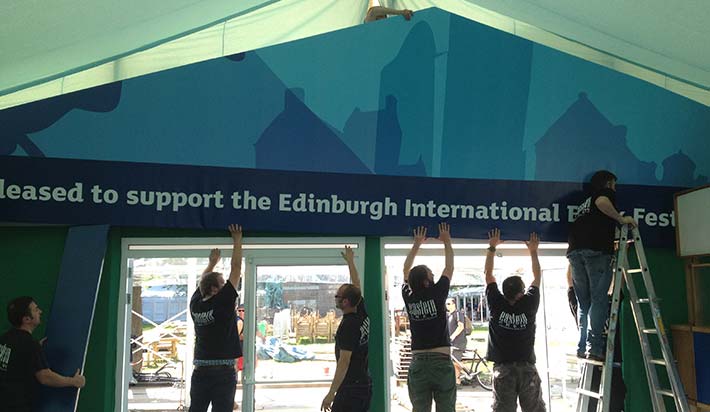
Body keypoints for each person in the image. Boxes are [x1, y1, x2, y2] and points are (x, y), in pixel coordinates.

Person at [567, 170, 636, 361]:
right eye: (614, 184)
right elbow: (603, 202)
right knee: (598, 299)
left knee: (584, 303)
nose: (615, 188)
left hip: (575, 252)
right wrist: (621, 220)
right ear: (607, 184)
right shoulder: (603, 195)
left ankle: (582, 347)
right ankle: (595, 347)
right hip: (595, 251)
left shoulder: (584, 204)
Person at [485, 229, 545, 412]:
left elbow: (488, 274)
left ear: (504, 291)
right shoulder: (529, 303)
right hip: (527, 368)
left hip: (503, 370)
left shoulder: (496, 303)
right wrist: (533, 251)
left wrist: (492, 246)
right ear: (521, 292)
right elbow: (537, 276)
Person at [401, 223, 455, 412]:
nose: (434, 275)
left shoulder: (409, 296)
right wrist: (446, 241)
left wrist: (417, 244)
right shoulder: (437, 293)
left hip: (418, 364)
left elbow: (405, 270)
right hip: (440, 361)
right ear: (426, 281)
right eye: (431, 274)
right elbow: (449, 267)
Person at [189, 224, 243, 412]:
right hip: (223, 372)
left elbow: (203, 280)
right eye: (222, 283)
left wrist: (212, 263)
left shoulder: (195, 304)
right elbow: (236, 269)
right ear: (214, 289)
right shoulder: (222, 303)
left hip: (200, 372)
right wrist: (237, 240)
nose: (226, 285)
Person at [0, 296, 86, 412]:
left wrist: (35, 352)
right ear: (26, 319)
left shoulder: (5, 339)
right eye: (36, 309)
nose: (40, 311)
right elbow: (45, 377)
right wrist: (74, 381)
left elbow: (16, 361)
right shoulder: (29, 345)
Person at [321, 246, 371, 412]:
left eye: (337, 296)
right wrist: (350, 261)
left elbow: (344, 362)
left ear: (345, 302)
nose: (335, 298)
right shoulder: (361, 310)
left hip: (351, 389)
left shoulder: (349, 326)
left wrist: (331, 393)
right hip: (363, 384)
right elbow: (356, 284)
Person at [446, 298, 466, 385]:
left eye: (449, 303)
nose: (447, 305)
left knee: (455, 361)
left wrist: (452, 336)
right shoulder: (449, 315)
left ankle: (457, 381)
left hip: (459, 342)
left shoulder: (458, 313)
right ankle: (457, 380)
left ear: (454, 304)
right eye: (446, 304)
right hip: (452, 343)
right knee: (454, 361)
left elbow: (461, 326)